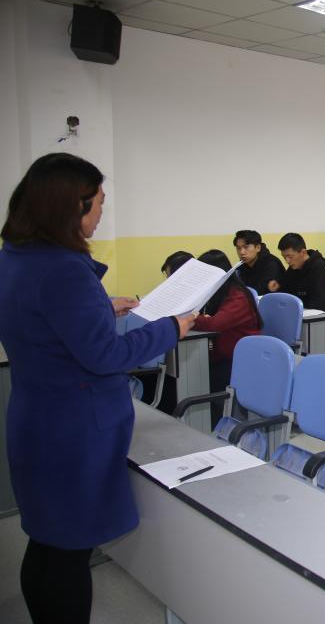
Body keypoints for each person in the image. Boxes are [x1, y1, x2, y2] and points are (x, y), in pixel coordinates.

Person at [0, 153, 195, 624]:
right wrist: (171, 328)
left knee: (46, 539)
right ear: (73, 206)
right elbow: (105, 356)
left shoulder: (14, 257)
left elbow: (41, 318)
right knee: (70, 550)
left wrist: (101, 307)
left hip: (35, 416)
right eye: (99, 202)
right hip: (73, 429)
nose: (102, 212)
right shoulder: (66, 269)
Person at [193, 249, 262, 392]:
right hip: (221, 354)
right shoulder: (218, 292)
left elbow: (214, 324)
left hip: (238, 358)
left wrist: (187, 319)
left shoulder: (238, 296)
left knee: (196, 378)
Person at [272, 232, 325, 312]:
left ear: (303, 252)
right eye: (284, 257)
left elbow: (319, 304)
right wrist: (278, 287)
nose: (287, 261)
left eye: (290, 256)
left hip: (321, 315)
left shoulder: (318, 267)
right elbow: (286, 292)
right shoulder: (294, 266)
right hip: (300, 311)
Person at [234, 229, 285, 295]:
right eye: (238, 248)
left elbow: (261, 291)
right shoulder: (241, 265)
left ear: (258, 248)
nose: (242, 252)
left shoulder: (271, 264)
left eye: (246, 247)